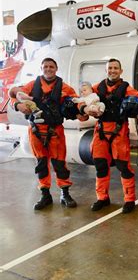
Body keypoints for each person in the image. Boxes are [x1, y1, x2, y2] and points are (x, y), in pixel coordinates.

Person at [10, 57, 84, 210]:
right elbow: (14, 96)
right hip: (36, 131)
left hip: (55, 131)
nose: (48, 69)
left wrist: (83, 112)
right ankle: (45, 194)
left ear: (56, 69)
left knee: (59, 164)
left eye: (51, 67)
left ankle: (65, 193)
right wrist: (18, 105)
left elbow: (77, 102)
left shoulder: (64, 87)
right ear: (41, 68)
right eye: (46, 66)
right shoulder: (31, 85)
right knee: (41, 163)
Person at [83, 58, 138, 214]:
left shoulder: (127, 89)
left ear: (121, 71)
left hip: (118, 131)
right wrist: (85, 108)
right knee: (100, 166)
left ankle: (129, 199)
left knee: (123, 167)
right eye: (110, 68)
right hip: (100, 131)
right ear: (106, 71)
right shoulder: (97, 88)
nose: (112, 70)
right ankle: (102, 198)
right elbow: (84, 100)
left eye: (115, 68)